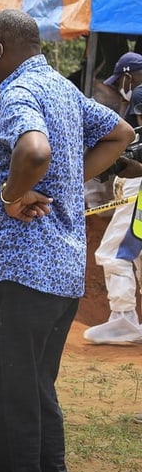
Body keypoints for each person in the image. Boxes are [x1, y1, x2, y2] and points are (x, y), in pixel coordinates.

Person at [0, 9, 134, 472]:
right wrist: (63, 179)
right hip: (57, 274)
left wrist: (10, 195)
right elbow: (120, 134)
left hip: (15, 274)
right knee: (36, 400)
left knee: (8, 411)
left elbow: (34, 151)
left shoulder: (19, 92)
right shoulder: (60, 87)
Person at [86, 52, 142, 345]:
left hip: (138, 186)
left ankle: (123, 318)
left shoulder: (141, 93)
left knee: (113, 252)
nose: (121, 86)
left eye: (121, 80)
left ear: (128, 76)